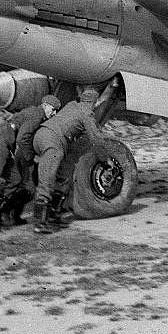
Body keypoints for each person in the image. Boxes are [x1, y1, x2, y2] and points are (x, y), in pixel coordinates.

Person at [0, 95, 62, 233]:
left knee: (15, 179)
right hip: (0, 141)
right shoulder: (37, 114)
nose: (54, 113)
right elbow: (22, 138)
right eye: (53, 109)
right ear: (45, 105)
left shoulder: (35, 113)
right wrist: (30, 157)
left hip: (5, 143)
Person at [31, 88, 107, 234]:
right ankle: (39, 223)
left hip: (40, 136)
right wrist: (105, 159)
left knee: (64, 175)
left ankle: (53, 216)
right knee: (47, 179)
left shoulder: (71, 105)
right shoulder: (87, 113)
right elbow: (96, 139)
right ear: (94, 103)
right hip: (53, 141)